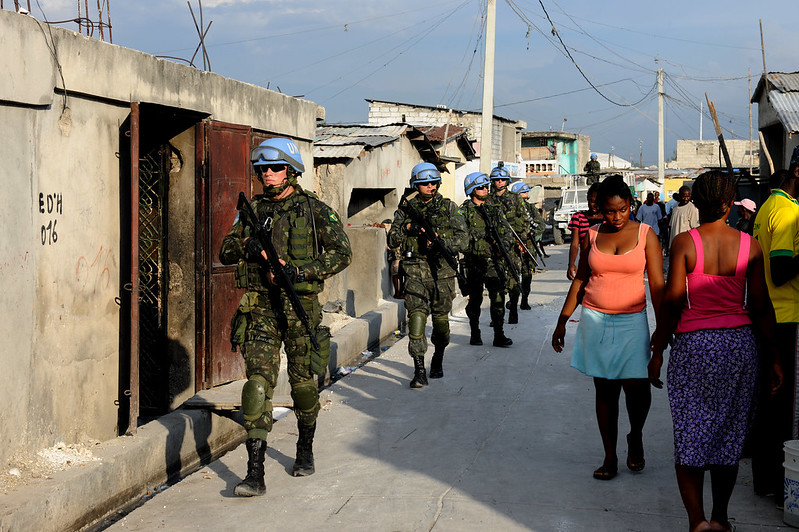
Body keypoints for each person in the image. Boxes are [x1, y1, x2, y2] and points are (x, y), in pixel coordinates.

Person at [650, 170, 782, 532]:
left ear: (698, 202)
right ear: (729, 204)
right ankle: (721, 519)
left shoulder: (685, 244)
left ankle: (697, 522)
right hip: (739, 348)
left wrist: (658, 348)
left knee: (691, 433)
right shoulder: (749, 246)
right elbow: (760, 306)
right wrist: (773, 358)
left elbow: (674, 301)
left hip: (694, 347)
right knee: (730, 433)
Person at [220, 138, 352, 496]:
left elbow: (342, 253)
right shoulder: (251, 210)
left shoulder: (313, 210)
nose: (267, 175)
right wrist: (249, 245)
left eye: (275, 168)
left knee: (303, 386)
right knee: (256, 385)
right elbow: (226, 249)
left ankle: (305, 448)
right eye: (262, 169)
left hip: (299, 308)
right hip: (260, 307)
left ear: (291, 171)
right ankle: (254, 471)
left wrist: (299, 271)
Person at [552, 175, 664, 481]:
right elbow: (581, 279)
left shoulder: (646, 235)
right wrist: (562, 320)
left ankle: (636, 435)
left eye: (623, 209)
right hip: (595, 320)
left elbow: (657, 285)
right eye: (610, 211)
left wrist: (662, 330)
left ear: (631, 204)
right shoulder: (592, 234)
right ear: (600, 208)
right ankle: (610, 456)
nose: (617, 217)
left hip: (632, 322)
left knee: (637, 388)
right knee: (605, 390)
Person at [388, 162, 467, 386]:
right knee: (417, 319)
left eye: (433, 182)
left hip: (442, 273)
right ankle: (419, 371)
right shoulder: (406, 210)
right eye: (425, 183)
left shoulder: (450, 208)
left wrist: (442, 242)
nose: (430, 186)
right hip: (414, 272)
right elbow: (391, 239)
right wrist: (406, 229)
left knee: (441, 324)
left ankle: (438, 359)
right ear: (416, 185)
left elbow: (464, 240)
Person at [751, 162, 799, 503]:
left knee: (770, 404)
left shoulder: (770, 204)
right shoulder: (786, 212)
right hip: (784, 316)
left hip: (768, 314)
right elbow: (781, 270)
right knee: (782, 408)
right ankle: (781, 486)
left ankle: (766, 480)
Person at [461, 172, 513, 347]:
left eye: (485, 186)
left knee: (498, 298)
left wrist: (502, 247)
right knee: (475, 301)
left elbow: (506, 233)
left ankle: (499, 334)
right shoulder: (463, 211)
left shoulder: (494, 210)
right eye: (480, 187)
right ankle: (475, 332)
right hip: (474, 263)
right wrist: (478, 246)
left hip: (494, 262)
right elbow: (461, 238)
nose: (485, 190)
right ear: (471, 190)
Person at [488, 163, 531, 324]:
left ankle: (513, 309)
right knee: (495, 282)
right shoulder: (488, 200)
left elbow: (525, 220)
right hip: (494, 246)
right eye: (497, 180)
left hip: (513, 245)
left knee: (513, 279)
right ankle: (497, 315)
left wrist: (522, 238)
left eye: (502, 180)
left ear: (507, 181)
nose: (499, 182)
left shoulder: (515, 198)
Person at [510, 181, 542, 307]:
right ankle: (513, 301)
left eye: (526, 192)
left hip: (528, 246)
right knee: (513, 274)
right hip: (514, 245)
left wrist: (533, 233)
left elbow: (540, 225)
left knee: (527, 274)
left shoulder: (530, 208)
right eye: (523, 192)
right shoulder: (510, 209)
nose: (526, 194)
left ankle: (524, 299)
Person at [566, 182, 603, 281]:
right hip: (585, 265)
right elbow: (574, 244)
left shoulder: (607, 219)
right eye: (592, 201)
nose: (594, 205)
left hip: (604, 266)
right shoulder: (578, 218)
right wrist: (571, 264)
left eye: (598, 202)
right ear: (587, 199)